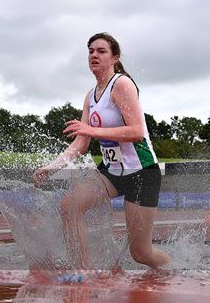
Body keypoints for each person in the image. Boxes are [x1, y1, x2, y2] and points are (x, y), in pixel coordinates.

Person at [33, 33, 170, 270]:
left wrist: (91, 131)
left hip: (141, 172)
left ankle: (172, 269)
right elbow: (81, 143)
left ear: (115, 58)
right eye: (90, 51)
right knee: (69, 207)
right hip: (111, 171)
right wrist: (52, 166)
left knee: (140, 253)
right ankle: (84, 272)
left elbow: (136, 131)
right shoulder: (90, 95)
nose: (94, 55)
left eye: (101, 51)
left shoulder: (122, 84)